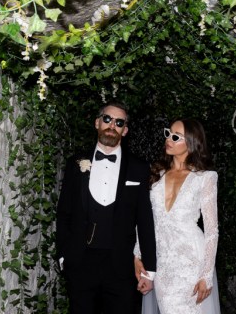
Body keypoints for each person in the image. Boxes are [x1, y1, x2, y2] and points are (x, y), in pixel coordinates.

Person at [56, 101, 157, 314]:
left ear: (125, 130)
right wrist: (64, 256)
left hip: (121, 265)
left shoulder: (139, 167)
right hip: (81, 262)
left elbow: (145, 220)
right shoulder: (76, 163)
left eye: (119, 122)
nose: (112, 125)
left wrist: (150, 269)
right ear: (97, 122)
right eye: (107, 119)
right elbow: (64, 212)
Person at [135, 119, 220, 314]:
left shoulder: (205, 178)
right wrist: (138, 254)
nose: (168, 140)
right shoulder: (157, 175)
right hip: (163, 261)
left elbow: (212, 231)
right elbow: (147, 221)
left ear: (191, 143)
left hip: (192, 261)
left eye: (175, 137)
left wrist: (205, 275)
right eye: (168, 133)